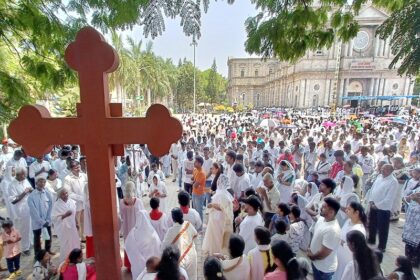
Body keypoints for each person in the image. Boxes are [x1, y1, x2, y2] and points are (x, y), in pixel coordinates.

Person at [307, 197, 341, 280]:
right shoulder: (322, 219)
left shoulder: (333, 230)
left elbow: (323, 253)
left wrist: (312, 257)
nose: (321, 208)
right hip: (316, 263)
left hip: (324, 269)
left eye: (324, 207)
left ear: (331, 212)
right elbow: (316, 235)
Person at [368, 164, 399, 252]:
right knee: (372, 224)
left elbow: (389, 198)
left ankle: (382, 246)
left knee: (382, 228)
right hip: (373, 204)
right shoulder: (379, 177)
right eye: (382, 169)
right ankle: (371, 239)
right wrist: (371, 200)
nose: (382, 170)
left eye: (384, 169)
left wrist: (377, 205)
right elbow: (372, 189)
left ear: (390, 171)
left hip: (383, 208)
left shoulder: (393, 181)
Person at [125, 209, 161, 280]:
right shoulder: (153, 233)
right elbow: (159, 248)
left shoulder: (132, 233)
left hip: (138, 266)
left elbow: (128, 246)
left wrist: (139, 261)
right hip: (153, 266)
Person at [162, 208, 198, 280]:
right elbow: (195, 236)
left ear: (173, 218)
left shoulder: (171, 231)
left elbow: (164, 246)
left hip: (180, 260)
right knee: (192, 276)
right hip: (192, 256)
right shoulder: (188, 224)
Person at [202, 174, 233, 255]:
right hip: (221, 217)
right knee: (219, 234)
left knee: (216, 235)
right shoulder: (225, 193)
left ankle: (216, 251)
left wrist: (211, 205)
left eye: (219, 180)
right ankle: (219, 250)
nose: (217, 182)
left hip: (217, 217)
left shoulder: (221, 194)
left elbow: (221, 207)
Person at [335, 202, 367, 279]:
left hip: (348, 256)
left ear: (356, 213)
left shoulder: (359, 229)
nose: (346, 210)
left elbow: (355, 246)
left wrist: (342, 242)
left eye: (349, 209)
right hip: (340, 254)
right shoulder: (348, 221)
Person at [120, 181, 145, 271]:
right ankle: (137, 264)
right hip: (136, 228)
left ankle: (129, 265)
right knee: (137, 245)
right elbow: (143, 215)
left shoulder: (121, 202)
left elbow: (121, 216)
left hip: (127, 228)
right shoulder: (138, 202)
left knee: (128, 244)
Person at [51, 187, 80, 264]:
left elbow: (74, 213)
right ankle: (66, 260)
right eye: (63, 194)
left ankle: (76, 257)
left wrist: (77, 223)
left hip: (72, 226)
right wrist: (65, 215)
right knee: (66, 244)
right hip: (63, 228)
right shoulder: (56, 205)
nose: (65, 195)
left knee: (75, 241)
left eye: (66, 193)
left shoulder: (71, 201)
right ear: (59, 196)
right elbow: (54, 218)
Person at [27, 176, 54, 257]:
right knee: (37, 237)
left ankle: (48, 250)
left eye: (43, 182)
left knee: (48, 235)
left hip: (47, 219)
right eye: (40, 182)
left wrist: (48, 219)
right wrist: (41, 221)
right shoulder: (31, 196)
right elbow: (33, 211)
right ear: (36, 183)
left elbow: (50, 206)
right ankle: (37, 254)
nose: (42, 184)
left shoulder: (47, 193)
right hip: (37, 221)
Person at [8, 167, 32, 255]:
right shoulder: (12, 185)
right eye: (23, 175)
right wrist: (24, 192)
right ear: (18, 175)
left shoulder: (25, 180)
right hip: (21, 209)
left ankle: (29, 243)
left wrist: (30, 190)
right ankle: (25, 248)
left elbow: (30, 189)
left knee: (30, 227)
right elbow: (13, 200)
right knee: (24, 228)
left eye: (25, 174)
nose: (25, 176)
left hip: (29, 206)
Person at [63, 160, 87, 242]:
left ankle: (84, 236)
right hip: (75, 204)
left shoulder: (84, 175)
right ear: (71, 169)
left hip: (85, 203)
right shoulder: (67, 179)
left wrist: (86, 197)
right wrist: (81, 198)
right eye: (76, 168)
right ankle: (78, 238)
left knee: (84, 220)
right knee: (76, 222)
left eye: (79, 167)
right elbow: (68, 193)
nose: (78, 169)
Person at [402, 183, 420, 268]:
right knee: (409, 242)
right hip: (412, 221)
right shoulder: (417, 186)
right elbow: (409, 197)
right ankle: (408, 259)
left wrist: (417, 199)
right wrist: (409, 198)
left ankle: (414, 261)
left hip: (418, 223)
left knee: (417, 243)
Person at [192, 156, 206, 221]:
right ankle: (196, 225)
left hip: (199, 195)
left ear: (200, 164)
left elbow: (195, 185)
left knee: (199, 212)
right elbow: (193, 180)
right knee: (195, 210)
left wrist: (194, 183)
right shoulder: (195, 170)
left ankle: (200, 228)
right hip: (194, 193)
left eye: (196, 162)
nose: (194, 163)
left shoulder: (202, 173)